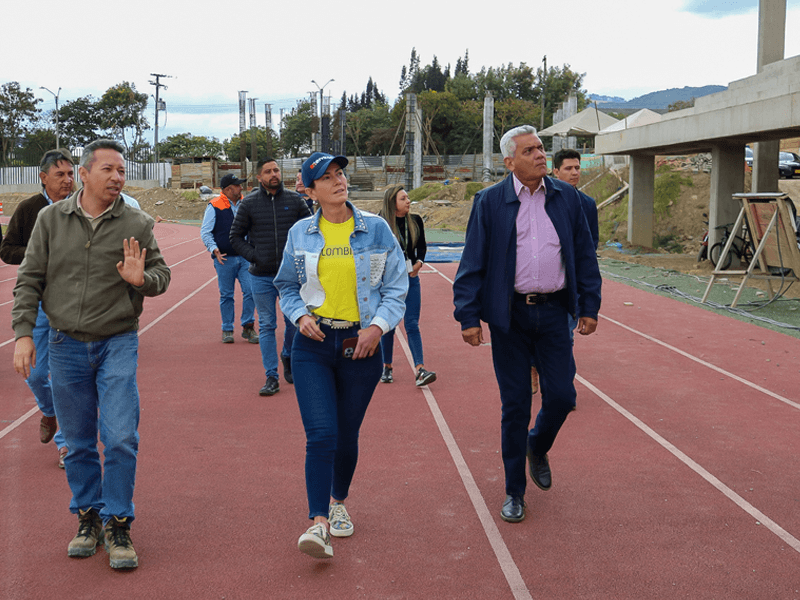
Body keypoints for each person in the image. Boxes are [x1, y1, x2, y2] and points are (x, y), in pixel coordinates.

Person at [11, 139, 171, 569]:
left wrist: (142, 280)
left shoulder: (136, 221)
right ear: (84, 174)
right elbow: (29, 279)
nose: (118, 177)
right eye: (109, 170)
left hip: (117, 341)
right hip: (65, 345)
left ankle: (118, 521)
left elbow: (162, 275)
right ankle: (87, 517)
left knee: (120, 435)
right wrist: (24, 333)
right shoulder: (49, 219)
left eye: (122, 171)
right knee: (79, 441)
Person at [452, 125, 601, 524]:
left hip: (555, 313)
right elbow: (471, 264)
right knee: (515, 404)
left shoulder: (567, 198)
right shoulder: (489, 203)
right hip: (510, 318)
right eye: (530, 150)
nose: (540, 155)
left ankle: (538, 443)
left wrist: (590, 305)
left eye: (540, 148)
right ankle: (514, 491)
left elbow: (585, 256)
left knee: (563, 397)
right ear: (509, 161)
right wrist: (468, 315)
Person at [274, 152, 407, 559]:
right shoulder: (301, 233)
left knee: (346, 435)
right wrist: (298, 317)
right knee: (322, 434)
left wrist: (376, 328)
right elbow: (286, 286)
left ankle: (338, 499)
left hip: (360, 347)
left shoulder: (377, 230)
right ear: (311, 191)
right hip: (312, 346)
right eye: (326, 178)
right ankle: (318, 524)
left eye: (340, 174)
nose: (338, 181)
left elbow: (396, 287)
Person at [1, 149, 74, 468]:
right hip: (38, 303)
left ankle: (67, 443)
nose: (68, 181)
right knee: (33, 372)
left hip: (75, 304)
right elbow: (7, 250)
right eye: (60, 175)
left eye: (71, 174)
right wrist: (37, 255)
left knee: (66, 376)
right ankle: (50, 410)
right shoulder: (29, 208)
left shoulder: (83, 207)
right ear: (43, 178)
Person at [230, 158, 312, 395]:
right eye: (268, 171)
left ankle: (287, 354)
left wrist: (300, 259)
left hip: (291, 277)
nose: (273, 174)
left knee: (294, 323)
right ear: (259, 177)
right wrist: (254, 256)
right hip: (261, 276)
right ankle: (271, 376)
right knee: (266, 325)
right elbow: (235, 237)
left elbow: (310, 232)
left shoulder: (295, 201)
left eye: (276, 170)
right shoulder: (249, 204)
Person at [378, 184, 437, 386]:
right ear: (392, 202)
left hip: (411, 279)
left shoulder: (415, 220)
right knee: (389, 325)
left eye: (408, 198)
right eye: (403, 199)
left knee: (412, 324)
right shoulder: (381, 223)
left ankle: (420, 369)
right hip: (389, 284)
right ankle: (386, 366)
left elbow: (422, 247)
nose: (408, 201)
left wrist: (419, 263)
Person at [200, 173, 258, 344]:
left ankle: (248, 327)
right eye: (237, 185)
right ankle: (227, 329)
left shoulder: (246, 203)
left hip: (245, 257)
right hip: (224, 259)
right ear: (227, 189)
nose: (241, 188)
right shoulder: (214, 205)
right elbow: (205, 232)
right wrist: (214, 249)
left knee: (250, 291)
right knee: (226, 295)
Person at [553, 148, 600, 344]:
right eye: (569, 168)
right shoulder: (543, 200)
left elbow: (591, 245)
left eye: (577, 168)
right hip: (544, 278)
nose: (575, 173)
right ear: (555, 171)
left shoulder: (587, 204)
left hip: (570, 282)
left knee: (564, 336)